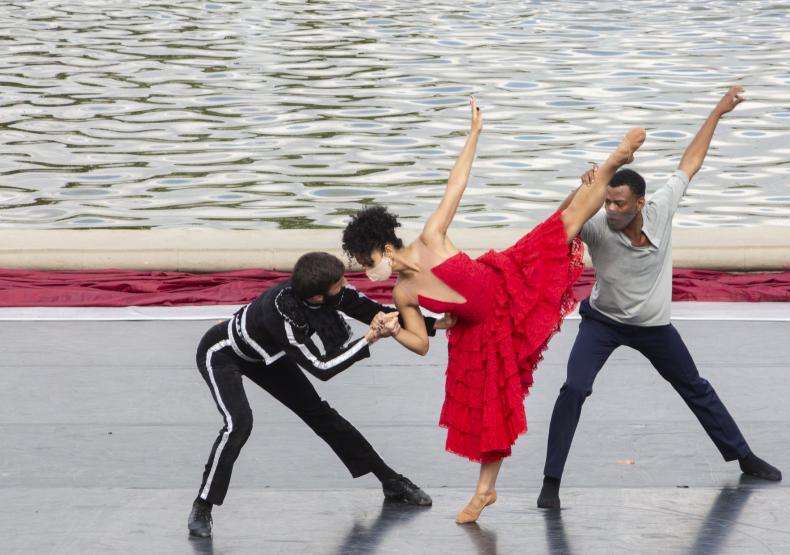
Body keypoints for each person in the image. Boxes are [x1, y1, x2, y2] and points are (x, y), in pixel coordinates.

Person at [341, 96, 646, 523]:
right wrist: (391, 332)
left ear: (385, 249)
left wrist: (474, 134)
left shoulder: (431, 237)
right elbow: (421, 343)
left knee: (567, 222)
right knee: (492, 416)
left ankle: (615, 159)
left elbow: (456, 185)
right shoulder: (402, 294)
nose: (367, 271)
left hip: (506, 282)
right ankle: (486, 491)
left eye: (366, 261)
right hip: (479, 332)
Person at [537, 86, 782, 510]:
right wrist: (580, 194)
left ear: (640, 203)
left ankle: (744, 456)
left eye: (618, 204)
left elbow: (691, 161)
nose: (610, 210)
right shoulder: (596, 226)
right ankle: (551, 482)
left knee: (694, 387)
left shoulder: (662, 209)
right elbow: (555, 228)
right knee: (574, 387)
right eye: (606, 202)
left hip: (653, 327)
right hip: (603, 322)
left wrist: (718, 112)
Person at [187, 251, 450, 537]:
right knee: (239, 424)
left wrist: (433, 324)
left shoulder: (329, 292)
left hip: (268, 355)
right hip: (223, 353)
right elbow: (321, 367)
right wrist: (369, 339)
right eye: (339, 283)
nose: (345, 283)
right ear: (316, 297)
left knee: (322, 415)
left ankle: (391, 481)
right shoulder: (281, 314)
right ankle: (203, 505)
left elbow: (371, 311)